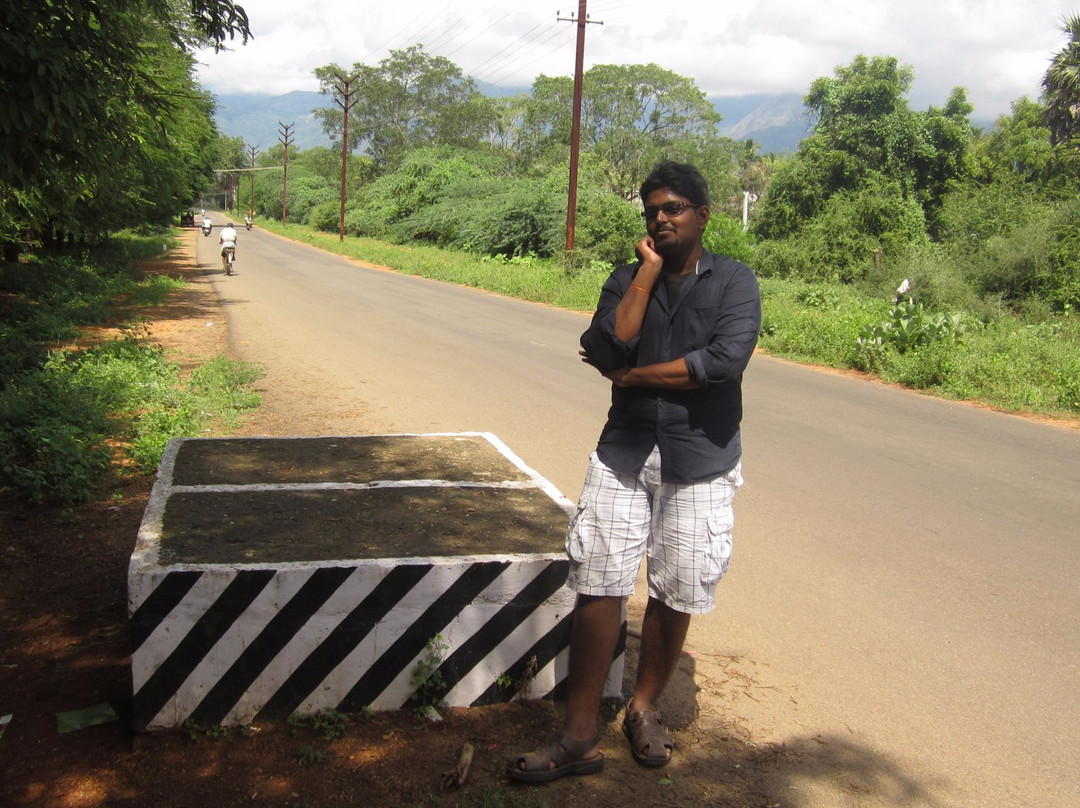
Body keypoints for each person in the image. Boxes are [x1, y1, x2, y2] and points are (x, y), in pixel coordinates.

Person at [508, 161, 761, 782]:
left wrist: (639, 376)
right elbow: (606, 347)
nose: (661, 219)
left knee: (679, 585)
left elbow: (722, 362)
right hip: (624, 450)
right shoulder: (626, 278)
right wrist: (647, 273)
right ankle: (578, 733)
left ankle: (644, 710)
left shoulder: (734, 281)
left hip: (700, 458)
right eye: (652, 211)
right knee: (599, 582)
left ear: (703, 214)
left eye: (674, 208)